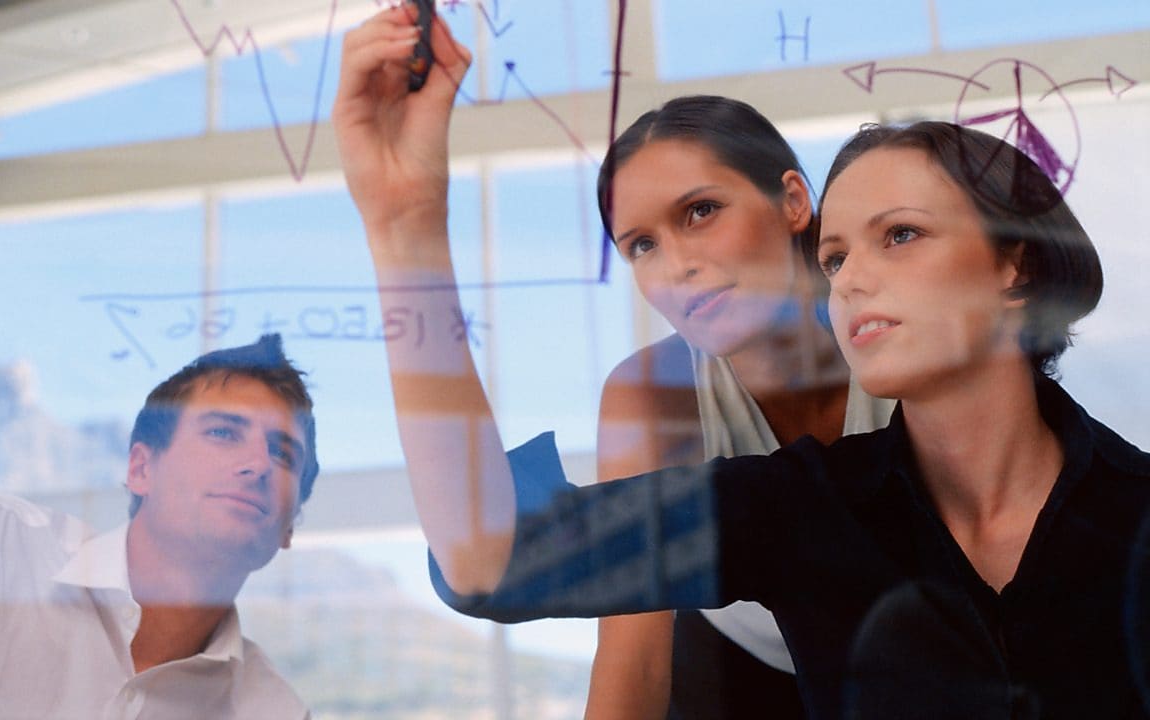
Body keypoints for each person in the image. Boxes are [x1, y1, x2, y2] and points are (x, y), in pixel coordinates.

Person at [332, 6, 1150, 718]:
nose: (854, 276)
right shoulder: (805, 506)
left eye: (899, 235)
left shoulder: (1127, 511)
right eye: (836, 259)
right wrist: (406, 227)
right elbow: (493, 560)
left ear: (1015, 265)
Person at [591, 95, 893, 718]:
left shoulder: (900, 338)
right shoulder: (650, 397)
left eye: (701, 211)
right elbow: (634, 658)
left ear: (793, 201)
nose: (677, 266)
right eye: (642, 246)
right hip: (734, 673)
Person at [0, 333, 319, 719]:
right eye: (223, 432)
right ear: (142, 468)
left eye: (284, 455)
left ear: (289, 527)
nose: (258, 463)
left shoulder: (274, 710)